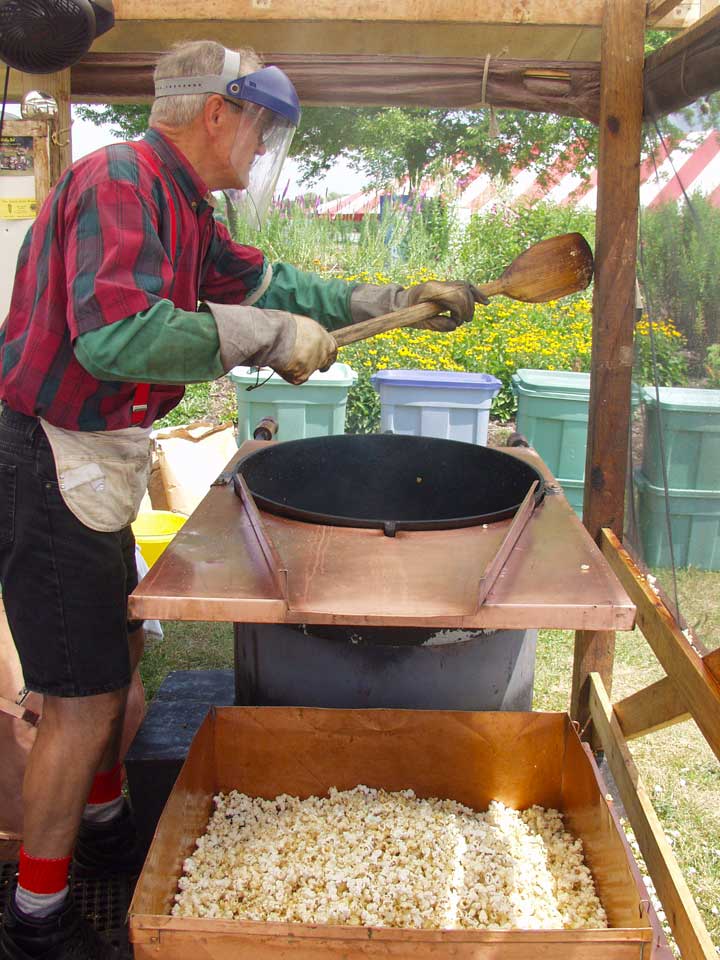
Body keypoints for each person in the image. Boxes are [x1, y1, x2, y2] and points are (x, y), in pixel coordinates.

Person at [0, 40, 484, 960]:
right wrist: (261, 335)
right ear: (217, 112)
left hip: (95, 453)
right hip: (46, 456)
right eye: (261, 125)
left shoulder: (182, 206)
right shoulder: (118, 181)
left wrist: (389, 293)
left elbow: (275, 284)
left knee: (119, 648)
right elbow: (116, 338)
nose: (263, 148)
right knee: (79, 696)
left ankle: (102, 821)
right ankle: (37, 919)